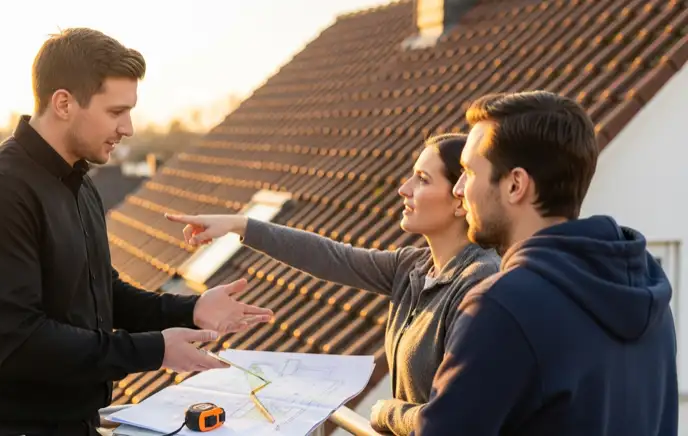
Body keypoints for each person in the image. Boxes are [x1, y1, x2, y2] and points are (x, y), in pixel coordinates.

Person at [0, 28, 273, 436]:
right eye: (116, 112)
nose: (129, 127)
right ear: (63, 103)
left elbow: (101, 295)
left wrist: (190, 309)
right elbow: (19, 345)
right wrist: (155, 349)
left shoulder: (80, 184)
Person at [165, 133, 501, 435]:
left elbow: (457, 418)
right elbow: (330, 257)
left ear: (460, 198)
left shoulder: (480, 283)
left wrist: (385, 412)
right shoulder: (412, 266)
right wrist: (240, 224)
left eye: (423, 180)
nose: (404, 188)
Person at [411, 90, 677, 436]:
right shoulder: (650, 295)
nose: (459, 189)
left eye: (469, 172)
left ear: (516, 185)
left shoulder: (501, 308)